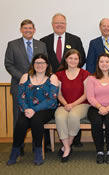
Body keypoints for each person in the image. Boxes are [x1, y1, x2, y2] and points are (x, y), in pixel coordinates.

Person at [40, 13, 86, 147]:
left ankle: (75, 140)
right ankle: (48, 142)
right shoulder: (44, 41)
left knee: (74, 110)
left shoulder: (75, 39)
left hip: (72, 81)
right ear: (52, 24)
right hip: (49, 83)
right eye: (56, 23)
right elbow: (42, 61)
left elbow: (82, 58)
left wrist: (71, 71)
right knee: (49, 111)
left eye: (62, 23)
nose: (59, 25)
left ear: (66, 24)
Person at [7, 53, 58, 166]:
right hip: (28, 109)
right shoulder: (25, 77)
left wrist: (34, 110)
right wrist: (26, 109)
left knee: (36, 120)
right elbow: (20, 97)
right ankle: (14, 152)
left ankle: (38, 152)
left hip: (46, 110)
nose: (40, 65)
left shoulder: (52, 77)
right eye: (37, 63)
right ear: (33, 64)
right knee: (20, 123)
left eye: (42, 63)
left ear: (47, 64)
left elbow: (51, 100)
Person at [5, 19, 47, 129]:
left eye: (30, 28)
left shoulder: (41, 45)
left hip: (38, 87)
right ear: (21, 30)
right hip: (19, 86)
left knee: (37, 117)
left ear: (34, 30)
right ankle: (18, 145)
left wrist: (37, 78)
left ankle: (37, 144)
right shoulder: (12, 45)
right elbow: (8, 64)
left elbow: (45, 63)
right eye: (25, 28)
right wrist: (24, 78)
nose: (28, 30)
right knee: (18, 116)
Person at [54, 49, 90, 163]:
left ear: (79, 60)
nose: (73, 61)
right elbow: (58, 94)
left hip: (81, 104)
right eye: (70, 58)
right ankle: (67, 147)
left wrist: (72, 105)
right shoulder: (59, 74)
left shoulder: (85, 74)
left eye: (76, 59)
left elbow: (86, 94)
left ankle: (66, 146)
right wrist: (66, 104)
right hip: (64, 104)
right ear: (66, 59)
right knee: (59, 117)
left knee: (73, 116)